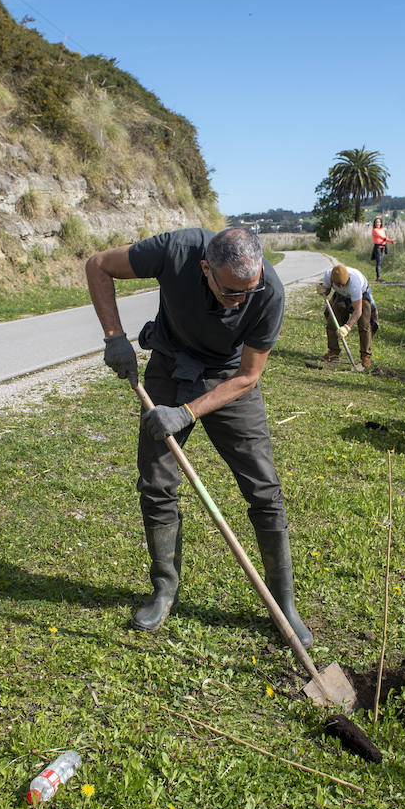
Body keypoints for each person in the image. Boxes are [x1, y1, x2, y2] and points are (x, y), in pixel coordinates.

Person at [85, 227, 312, 647]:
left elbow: (249, 375)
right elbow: (98, 265)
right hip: (171, 366)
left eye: (251, 289)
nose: (242, 299)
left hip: (230, 379)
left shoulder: (268, 293)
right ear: (205, 269)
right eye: (231, 293)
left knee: (264, 490)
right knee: (156, 484)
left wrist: (186, 413)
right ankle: (165, 588)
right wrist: (114, 336)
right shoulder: (176, 250)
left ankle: (284, 603)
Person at [318, 263, 377, 369]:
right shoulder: (328, 275)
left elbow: (358, 311)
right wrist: (323, 290)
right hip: (341, 296)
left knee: (364, 325)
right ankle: (333, 352)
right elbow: (326, 290)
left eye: (343, 285)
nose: (340, 287)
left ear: (348, 279)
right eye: (338, 285)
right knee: (332, 322)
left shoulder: (354, 282)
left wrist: (347, 327)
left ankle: (365, 356)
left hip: (361, 296)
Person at [370, 218, 394, 282]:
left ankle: (378, 277)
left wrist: (388, 242)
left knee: (380, 262)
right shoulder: (374, 230)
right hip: (377, 247)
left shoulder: (382, 230)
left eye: (379, 222)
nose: (378, 223)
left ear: (381, 223)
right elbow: (382, 237)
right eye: (376, 222)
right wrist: (391, 240)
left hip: (383, 247)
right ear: (374, 224)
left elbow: (385, 237)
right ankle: (378, 277)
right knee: (379, 262)